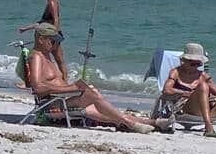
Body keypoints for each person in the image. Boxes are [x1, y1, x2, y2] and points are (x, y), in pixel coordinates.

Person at [28, 25, 165, 134]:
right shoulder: (36, 57)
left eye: (56, 42)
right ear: (40, 39)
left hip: (62, 100)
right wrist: (71, 88)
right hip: (52, 105)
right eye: (53, 41)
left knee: (104, 111)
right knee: (92, 93)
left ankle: (151, 123)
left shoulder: (46, 57)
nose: (55, 45)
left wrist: (72, 88)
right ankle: (130, 123)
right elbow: (38, 88)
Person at [18, 0, 68, 81]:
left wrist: (53, 37)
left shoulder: (52, 3)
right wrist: (25, 29)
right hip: (50, 35)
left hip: (51, 36)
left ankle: (63, 82)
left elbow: (56, 20)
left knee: (56, 60)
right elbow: (41, 23)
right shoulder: (50, 3)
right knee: (51, 59)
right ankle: (56, 81)